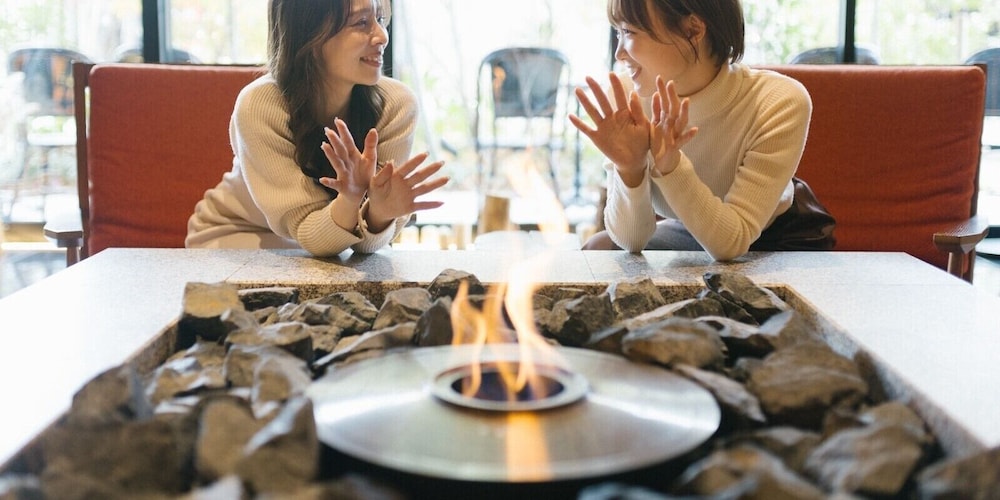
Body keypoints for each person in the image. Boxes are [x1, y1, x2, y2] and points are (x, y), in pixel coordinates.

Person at [186, 0, 448, 257]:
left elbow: (365, 247)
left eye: (380, 20)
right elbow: (310, 234)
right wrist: (350, 200)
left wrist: (379, 215)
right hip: (237, 236)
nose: (382, 36)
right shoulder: (260, 105)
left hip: (329, 252)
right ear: (310, 35)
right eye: (362, 22)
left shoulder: (397, 105)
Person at [570, 0, 822, 260]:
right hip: (689, 226)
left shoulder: (777, 101)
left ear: (692, 30)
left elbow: (731, 242)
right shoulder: (626, 97)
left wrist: (672, 165)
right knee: (599, 249)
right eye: (618, 32)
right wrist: (629, 168)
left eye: (630, 32)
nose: (619, 53)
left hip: (774, 236)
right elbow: (630, 241)